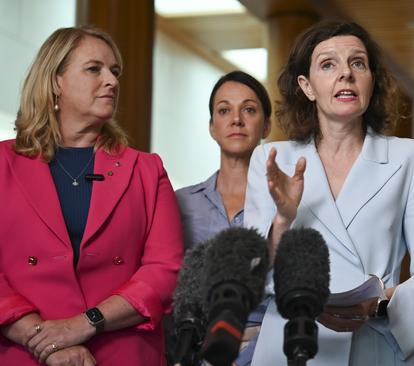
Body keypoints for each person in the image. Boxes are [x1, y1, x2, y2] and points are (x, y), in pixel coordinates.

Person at [243, 21, 414, 365]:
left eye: (358, 63)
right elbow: (251, 274)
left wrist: (383, 305)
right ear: (307, 86)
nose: (346, 74)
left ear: (372, 81)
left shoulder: (412, 158)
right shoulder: (272, 159)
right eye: (328, 65)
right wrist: (284, 218)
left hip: (374, 344)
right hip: (290, 343)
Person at [0, 26, 183, 365]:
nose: (112, 81)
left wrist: (83, 325)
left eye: (115, 72)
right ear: (57, 80)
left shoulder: (147, 169)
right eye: (94, 69)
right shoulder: (2, 164)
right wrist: (45, 340)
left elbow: (165, 271)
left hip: (121, 352)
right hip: (24, 352)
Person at [172, 70, 271, 365]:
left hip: (269, 351)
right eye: (224, 110)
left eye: (249, 110)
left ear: (266, 126)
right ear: (212, 127)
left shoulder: (284, 204)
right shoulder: (181, 203)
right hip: (197, 351)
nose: (236, 119)